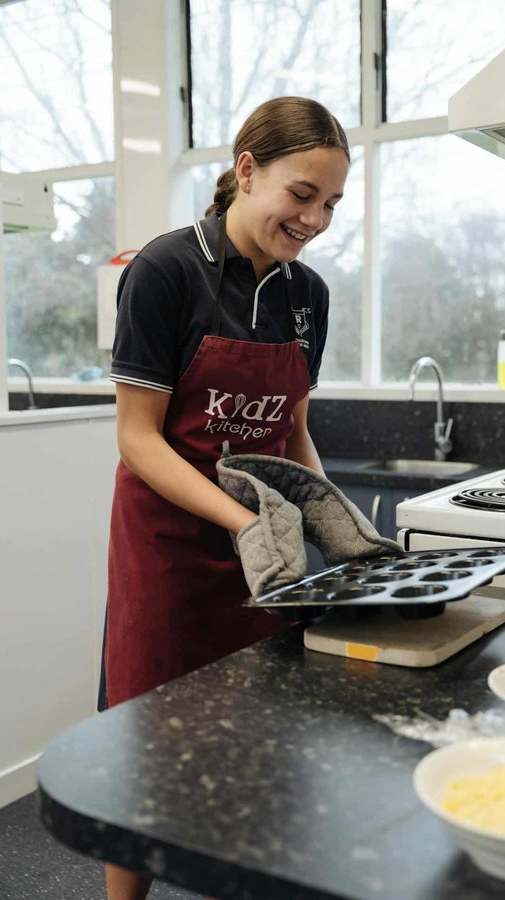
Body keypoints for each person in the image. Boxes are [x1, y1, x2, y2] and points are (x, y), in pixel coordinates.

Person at [99, 95, 350, 899]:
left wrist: (333, 518)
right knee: (151, 747)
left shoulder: (307, 295)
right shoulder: (166, 271)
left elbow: (293, 429)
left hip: (266, 558)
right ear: (247, 172)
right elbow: (138, 438)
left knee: (259, 739)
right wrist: (246, 521)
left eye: (333, 204)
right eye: (302, 194)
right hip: (169, 549)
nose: (314, 219)